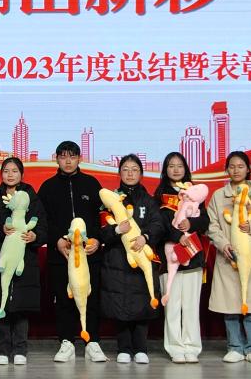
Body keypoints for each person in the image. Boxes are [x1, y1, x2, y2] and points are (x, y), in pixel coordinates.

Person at [38, 140, 108, 363]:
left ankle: (92, 342)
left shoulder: (91, 184)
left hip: (89, 255)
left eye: (72, 156)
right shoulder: (47, 187)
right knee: (64, 298)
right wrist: (57, 241)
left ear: (80, 158)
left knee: (91, 298)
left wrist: (97, 239)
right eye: (63, 157)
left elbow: (102, 218)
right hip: (61, 255)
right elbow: (42, 221)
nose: (68, 161)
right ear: (56, 159)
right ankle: (66, 342)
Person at [207, 151, 251, 364]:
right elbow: (212, 225)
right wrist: (223, 243)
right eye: (232, 166)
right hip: (228, 257)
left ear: (248, 169)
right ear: (226, 169)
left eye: (240, 166)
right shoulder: (219, 196)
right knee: (230, 304)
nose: (236, 170)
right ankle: (235, 347)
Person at [0, 157, 47, 365]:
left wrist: (35, 236)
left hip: (25, 258)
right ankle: (1, 350)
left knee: (21, 305)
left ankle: (20, 349)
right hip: (0, 256)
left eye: (14, 171)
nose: (10, 175)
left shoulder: (31, 195)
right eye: (6, 171)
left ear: (21, 174)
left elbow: (42, 225)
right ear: (1, 174)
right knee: (1, 302)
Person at [99, 155, 164, 364]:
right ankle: (124, 348)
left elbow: (158, 225)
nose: (130, 173)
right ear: (119, 173)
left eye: (134, 169)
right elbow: (101, 230)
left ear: (141, 174)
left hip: (142, 257)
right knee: (120, 304)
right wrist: (117, 230)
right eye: (125, 169)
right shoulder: (110, 200)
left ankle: (141, 348)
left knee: (142, 303)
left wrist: (146, 237)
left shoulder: (149, 201)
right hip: (117, 260)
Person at [154, 152, 209, 364]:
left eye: (179, 165)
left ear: (185, 168)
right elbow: (159, 225)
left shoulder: (195, 192)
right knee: (172, 306)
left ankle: (192, 347)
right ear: (165, 170)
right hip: (170, 259)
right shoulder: (159, 195)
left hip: (193, 256)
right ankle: (175, 347)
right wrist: (178, 235)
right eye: (171, 165)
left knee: (191, 306)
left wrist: (191, 225)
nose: (176, 169)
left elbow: (205, 221)